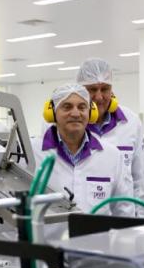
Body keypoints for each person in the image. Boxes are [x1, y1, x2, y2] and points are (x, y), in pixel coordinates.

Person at [35, 83, 133, 216]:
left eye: (82, 107)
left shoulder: (112, 156)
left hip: (96, 236)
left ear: (91, 113)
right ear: (52, 113)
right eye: (67, 107)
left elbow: (124, 210)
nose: (75, 114)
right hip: (47, 236)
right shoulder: (32, 152)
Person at [76, 58, 144, 210]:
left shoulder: (131, 122)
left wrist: (141, 219)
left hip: (123, 214)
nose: (99, 97)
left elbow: (140, 179)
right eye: (92, 90)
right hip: (83, 213)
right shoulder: (70, 125)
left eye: (105, 89)